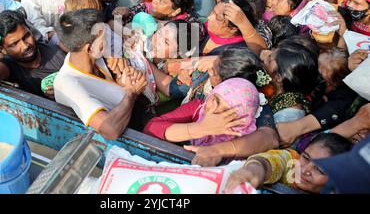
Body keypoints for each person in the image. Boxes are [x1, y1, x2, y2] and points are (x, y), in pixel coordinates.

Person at [54, 9, 148, 140]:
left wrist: (123, 82)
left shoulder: (86, 56)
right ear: (89, 48)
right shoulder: (68, 83)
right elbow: (110, 130)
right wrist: (131, 93)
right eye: (103, 40)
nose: (107, 43)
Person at [0, 10, 66, 99]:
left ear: (30, 30)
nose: (25, 46)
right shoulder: (9, 68)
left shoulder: (58, 48)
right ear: (1, 49)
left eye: (26, 36)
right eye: (14, 44)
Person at [144, 78, 259, 145]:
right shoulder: (198, 109)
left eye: (228, 110)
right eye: (216, 100)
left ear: (242, 118)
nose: (216, 110)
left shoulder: (248, 139)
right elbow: (151, 128)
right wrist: (201, 128)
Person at [225, 133, 353, 194]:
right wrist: (253, 171)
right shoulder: (292, 162)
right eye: (306, 158)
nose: (304, 171)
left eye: (319, 170)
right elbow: (271, 161)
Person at [261, 40, 319, 123]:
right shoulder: (278, 93)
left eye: (269, 60)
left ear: (278, 77)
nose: (263, 60)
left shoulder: (287, 116)